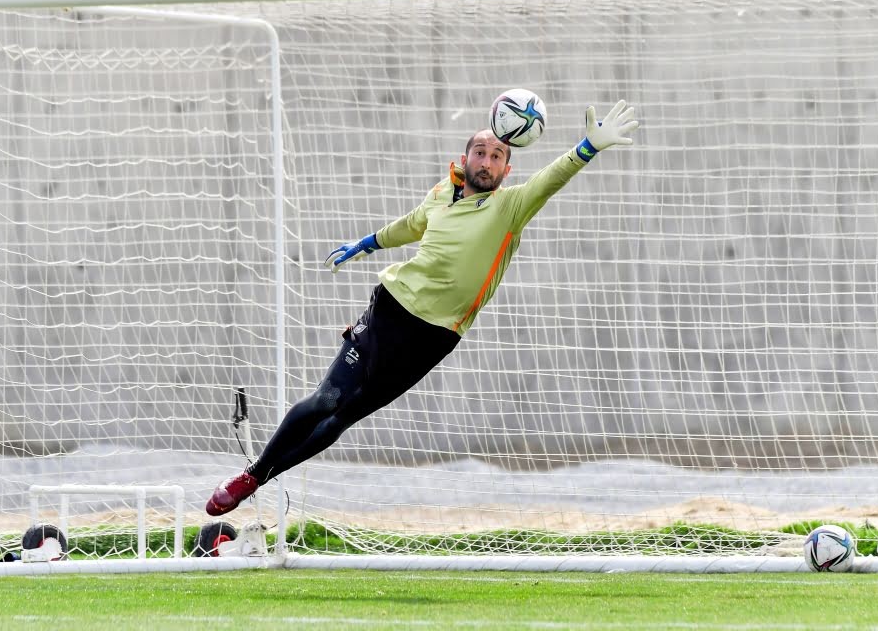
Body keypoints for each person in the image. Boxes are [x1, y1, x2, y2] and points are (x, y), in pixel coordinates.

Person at [206, 99, 639, 516]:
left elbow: (552, 177)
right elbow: (411, 224)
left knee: (345, 416)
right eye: (481, 153)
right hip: (390, 307)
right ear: (465, 158)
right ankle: (252, 476)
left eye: (497, 156)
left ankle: (261, 477)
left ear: (508, 169)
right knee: (327, 399)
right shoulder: (441, 194)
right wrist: (366, 244)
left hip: (433, 336)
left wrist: (588, 147)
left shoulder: (511, 207)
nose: (487, 162)